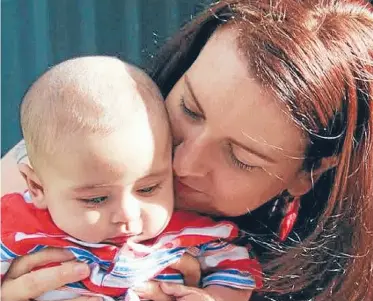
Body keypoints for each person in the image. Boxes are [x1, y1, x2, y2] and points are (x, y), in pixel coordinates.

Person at [1, 0, 372, 300]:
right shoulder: (72, 151)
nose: (181, 163)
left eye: (240, 158)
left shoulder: (334, 276)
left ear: (309, 173)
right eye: (190, 110)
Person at [1, 56, 261, 301]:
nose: (128, 215)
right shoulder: (20, 227)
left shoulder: (189, 233)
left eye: (148, 189)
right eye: (97, 199)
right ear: (37, 187)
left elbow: (237, 269)